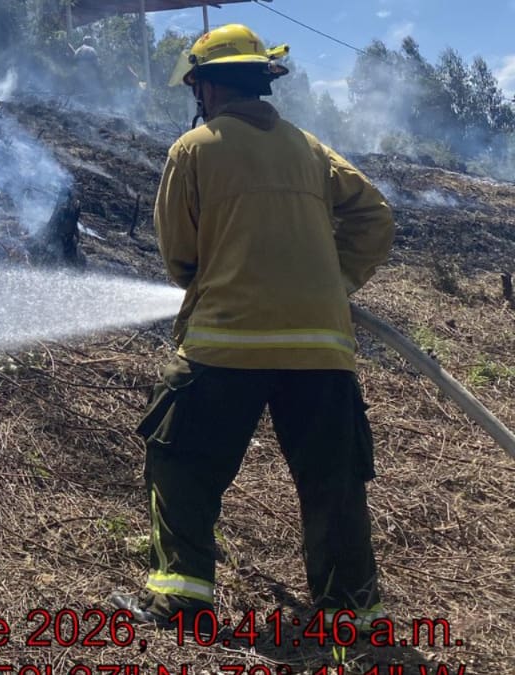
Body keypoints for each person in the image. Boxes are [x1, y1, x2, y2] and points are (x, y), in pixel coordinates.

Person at [110, 24, 397, 634]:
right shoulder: (310, 149)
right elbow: (374, 217)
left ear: (208, 87)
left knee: (181, 458)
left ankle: (182, 597)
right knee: (333, 483)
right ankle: (349, 613)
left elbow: (180, 256)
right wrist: (333, 283)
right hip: (321, 348)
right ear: (262, 81)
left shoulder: (194, 149)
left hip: (226, 342)